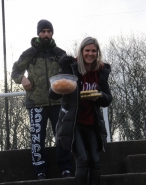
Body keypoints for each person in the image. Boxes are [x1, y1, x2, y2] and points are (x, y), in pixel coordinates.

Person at [11, 19, 73, 180]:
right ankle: (40, 170)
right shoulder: (29, 53)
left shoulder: (60, 53)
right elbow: (15, 71)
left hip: (59, 102)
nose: (46, 34)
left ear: (52, 33)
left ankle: (66, 168)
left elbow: (71, 72)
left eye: (49, 31)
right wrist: (22, 79)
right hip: (36, 103)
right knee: (37, 137)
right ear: (38, 33)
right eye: (43, 31)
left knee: (62, 135)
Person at [49, 37, 112, 185]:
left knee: (95, 162)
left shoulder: (101, 72)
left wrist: (99, 96)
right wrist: (62, 87)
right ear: (81, 51)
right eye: (87, 50)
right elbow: (52, 94)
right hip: (73, 123)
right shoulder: (70, 67)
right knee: (82, 160)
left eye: (93, 51)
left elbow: (108, 99)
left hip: (93, 125)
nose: (90, 54)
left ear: (97, 53)